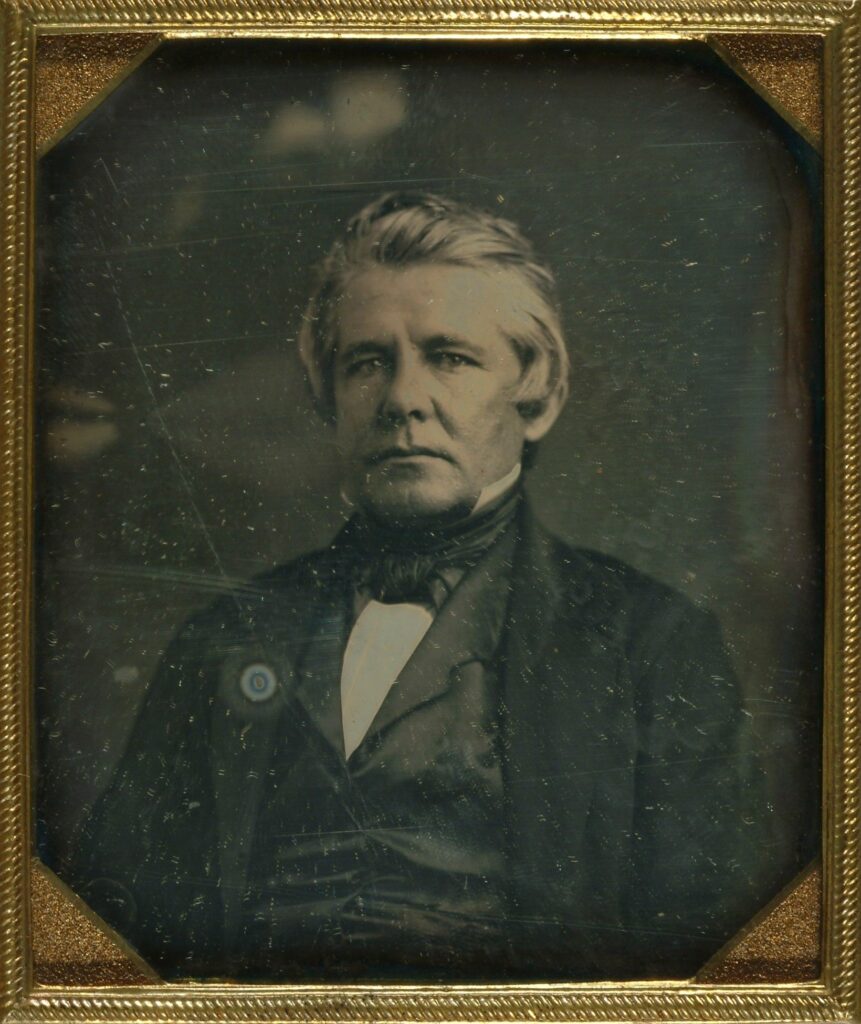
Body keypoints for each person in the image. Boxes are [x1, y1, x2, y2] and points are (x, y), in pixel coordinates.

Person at [67, 192, 800, 983]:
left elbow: (715, 962)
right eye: (367, 362)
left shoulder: (651, 646)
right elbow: (111, 939)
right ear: (328, 399)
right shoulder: (222, 638)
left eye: (450, 357)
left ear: (538, 394)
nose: (402, 399)